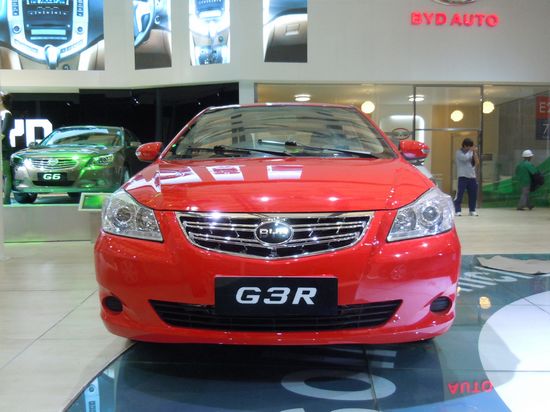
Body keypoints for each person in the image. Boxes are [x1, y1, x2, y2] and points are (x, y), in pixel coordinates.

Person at [453, 137, 479, 216]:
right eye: (469, 146)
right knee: (459, 194)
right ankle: (457, 210)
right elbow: (465, 158)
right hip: (462, 177)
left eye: (471, 146)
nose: (470, 148)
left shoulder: (471, 152)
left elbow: (477, 162)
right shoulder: (458, 153)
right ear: (464, 146)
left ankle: (472, 210)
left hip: (472, 177)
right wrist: (472, 151)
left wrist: (474, 153)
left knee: (473, 194)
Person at [1, 92, 14, 205]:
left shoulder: (6, 114)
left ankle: (6, 199)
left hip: (3, 149)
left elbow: (3, 133)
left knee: (6, 174)